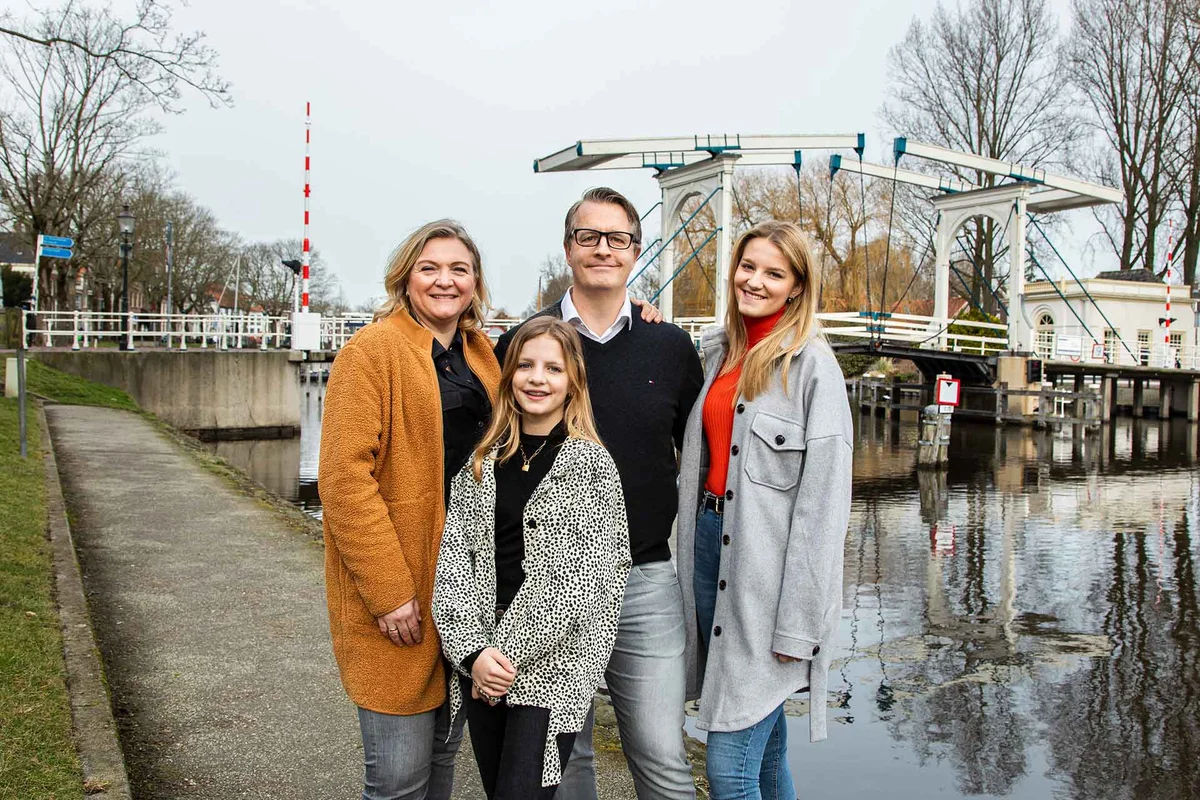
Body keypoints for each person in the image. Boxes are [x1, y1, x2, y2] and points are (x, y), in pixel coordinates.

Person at [495, 187, 705, 800]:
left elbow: (701, 449)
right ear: (568, 249)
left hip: (643, 578)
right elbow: (495, 453)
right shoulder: (527, 345)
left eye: (618, 239)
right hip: (547, 581)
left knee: (662, 754)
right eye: (589, 237)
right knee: (564, 759)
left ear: (636, 252)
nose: (603, 249)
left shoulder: (668, 346)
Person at [319, 219, 501, 800]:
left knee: (443, 756)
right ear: (405, 277)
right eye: (430, 268)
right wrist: (389, 590)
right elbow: (345, 480)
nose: (445, 281)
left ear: (475, 281)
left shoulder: (481, 353)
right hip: (404, 584)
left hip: (470, 585)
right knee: (398, 776)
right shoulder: (371, 352)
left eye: (459, 269)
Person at [676, 220, 853, 800]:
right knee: (767, 755)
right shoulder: (718, 353)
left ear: (797, 286)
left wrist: (801, 623)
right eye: (747, 267)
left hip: (766, 577)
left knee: (729, 768)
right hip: (706, 545)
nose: (754, 281)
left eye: (774, 273)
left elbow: (823, 511)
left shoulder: (814, 369)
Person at [433, 316, 632, 799]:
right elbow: (455, 561)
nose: (537, 378)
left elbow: (573, 583)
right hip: (480, 654)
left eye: (553, 369)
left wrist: (504, 657)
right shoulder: (482, 460)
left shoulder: (590, 466)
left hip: (552, 666)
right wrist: (473, 654)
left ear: (573, 383)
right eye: (525, 365)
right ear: (508, 377)